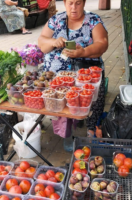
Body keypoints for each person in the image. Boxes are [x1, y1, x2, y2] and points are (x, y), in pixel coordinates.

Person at [38, 0, 108, 149]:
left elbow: (102, 43)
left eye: (77, 3)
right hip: (59, 74)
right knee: (61, 96)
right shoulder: (56, 20)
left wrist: (83, 52)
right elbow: (42, 43)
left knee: (92, 93)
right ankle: (67, 134)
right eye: (70, 3)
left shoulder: (93, 20)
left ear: (83, 3)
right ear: (64, 3)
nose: (73, 8)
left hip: (84, 72)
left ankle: (91, 129)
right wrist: (53, 41)